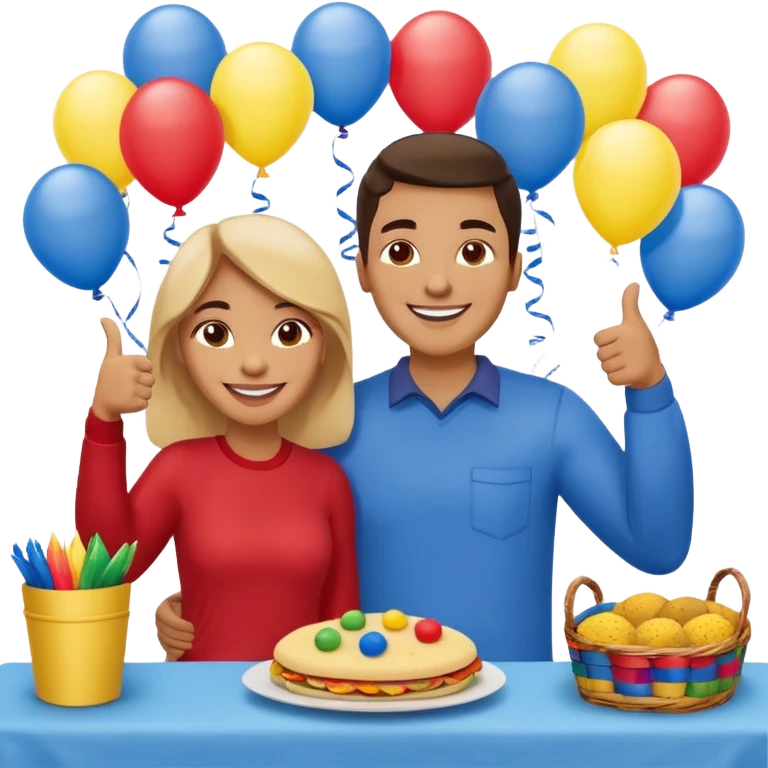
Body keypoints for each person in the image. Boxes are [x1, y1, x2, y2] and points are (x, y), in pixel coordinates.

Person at [155, 132, 695, 661]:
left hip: (507, 730)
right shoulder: (327, 422)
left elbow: (657, 547)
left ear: (513, 269)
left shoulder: (550, 418)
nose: (438, 282)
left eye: (473, 250)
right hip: (362, 715)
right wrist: (193, 608)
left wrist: (650, 393)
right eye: (402, 250)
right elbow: (260, 561)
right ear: (363, 269)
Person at [75, 213, 359, 661]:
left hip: (304, 704)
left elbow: (345, 619)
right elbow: (108, 562)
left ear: (325, 346)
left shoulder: (328, 481)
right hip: (199, 703)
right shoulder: (179, 469)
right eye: (216, 333)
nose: (253, 364)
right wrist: (104, 418)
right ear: (180, 349)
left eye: (288, 333)